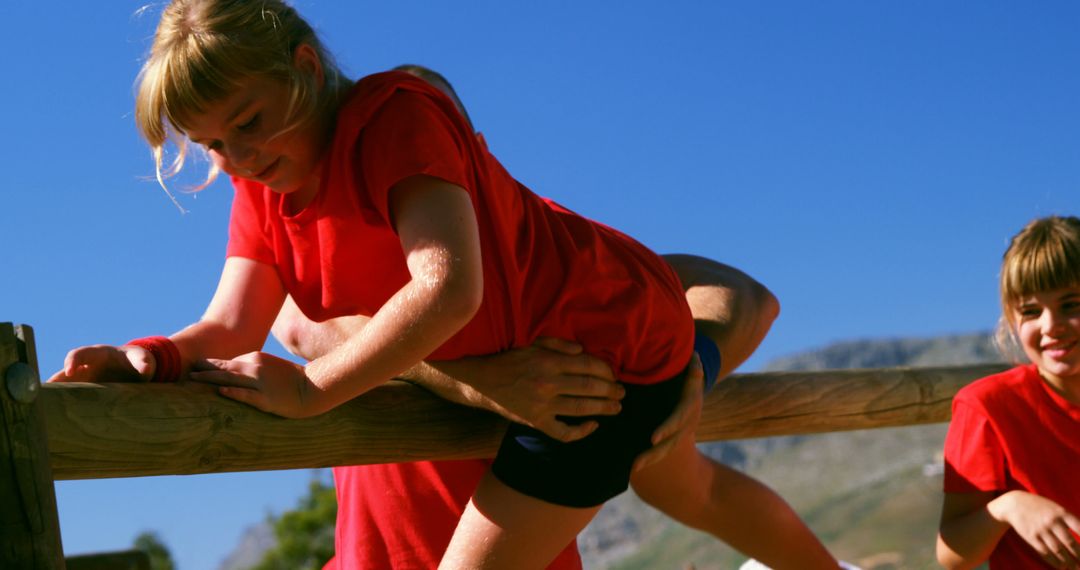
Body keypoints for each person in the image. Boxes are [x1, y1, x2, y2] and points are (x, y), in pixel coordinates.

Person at [49, 1, 838, 568]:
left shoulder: (394, 114)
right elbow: (229, 327)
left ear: (305, 68)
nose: (237, 158)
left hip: (602, 361)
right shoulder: (262, 187)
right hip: (554, 372)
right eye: (212, 144)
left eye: (249, 122)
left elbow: (446, 287)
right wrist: (148, 358)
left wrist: (313, 390)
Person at [937, 215, 1080, 570]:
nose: (1051, 326)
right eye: (1031, 311)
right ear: (1011, 320)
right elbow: (952, 556)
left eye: (1071, 304)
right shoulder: (988, 406)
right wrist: (1007, 508)